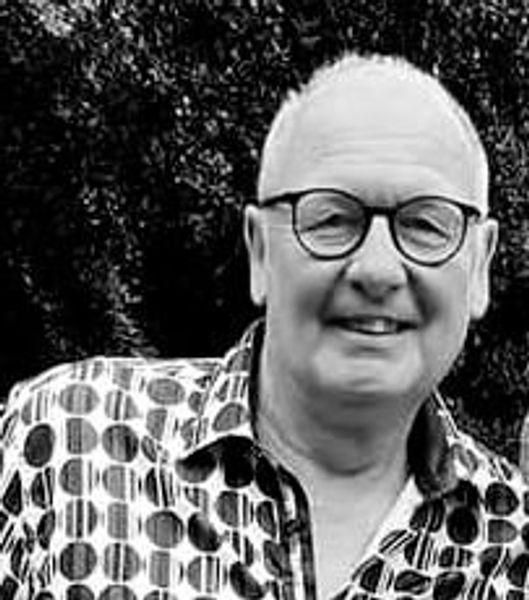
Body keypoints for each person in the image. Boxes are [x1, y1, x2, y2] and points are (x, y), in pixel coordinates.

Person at [0, 51, 526, 600]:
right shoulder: (68, 439)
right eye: (330, 219)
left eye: (425, 225)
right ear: (259, 251)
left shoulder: (514, 546)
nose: (376, 269)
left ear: (480, 267)